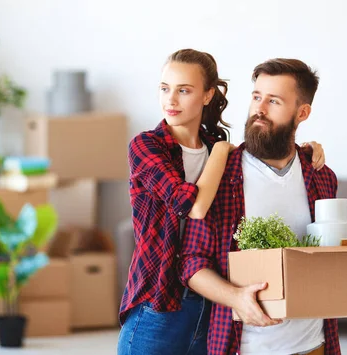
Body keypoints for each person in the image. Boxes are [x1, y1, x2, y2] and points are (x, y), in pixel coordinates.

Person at [118, 50, 326, 355]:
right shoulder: (147, 145)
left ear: (207, 96)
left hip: (208, 304)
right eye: (164, 88)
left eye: (183, 90)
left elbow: (267, 151)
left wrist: (307, 148)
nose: (170, 100)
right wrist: (220, 152)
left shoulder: (216, 146)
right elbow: (193, 207)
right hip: (159, 302)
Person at [180, 58, 347, 355]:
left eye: (274, 101)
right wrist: (236, 298)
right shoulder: (220, 177)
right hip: (245, 347)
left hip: (316, 345)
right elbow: (191, 262)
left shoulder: (321, 176)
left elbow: (330, 258)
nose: (259, 109)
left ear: (302, 112)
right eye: (257, 97)